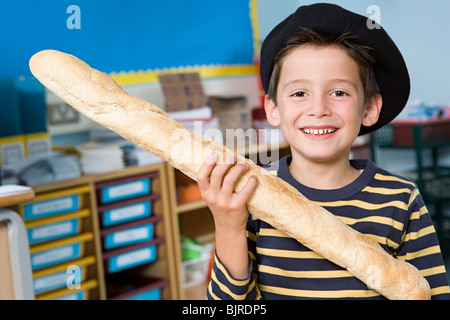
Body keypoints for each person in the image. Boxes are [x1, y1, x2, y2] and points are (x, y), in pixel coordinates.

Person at [198, 3, 450, 299]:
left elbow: (432, 293)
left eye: (339, 92)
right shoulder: (252, 196)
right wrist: (228, 227)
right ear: (273, 108)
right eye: (299, 93)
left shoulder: (401, 200)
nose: (318, 109)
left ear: (368, 108)